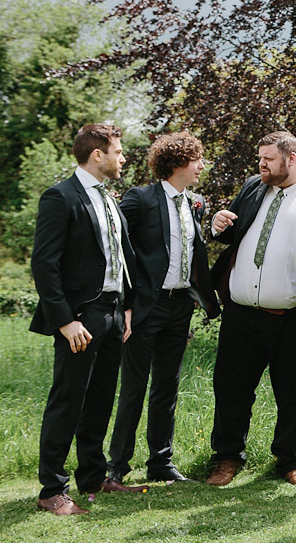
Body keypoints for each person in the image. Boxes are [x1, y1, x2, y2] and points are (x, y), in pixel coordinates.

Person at [30, 123, 148, 515]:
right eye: (118, 150)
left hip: (114, 314)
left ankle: (94, 476)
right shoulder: (60, 197)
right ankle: (51, 490)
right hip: (80, 318)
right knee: (68, 401)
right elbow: (44, 266)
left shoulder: (109, 199)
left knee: (99, 400)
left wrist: (127, 308)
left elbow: (121, 257)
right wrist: (64, 320)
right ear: (97, 154)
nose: (123, 157)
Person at [205, 131, 296, 487]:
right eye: (260, 158)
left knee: (295, 391)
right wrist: (218, 224)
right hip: (241, 313)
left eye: (268, 159)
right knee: (231, 388)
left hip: (295, 315)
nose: (262, 165)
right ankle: (226, 458)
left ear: (292, 158)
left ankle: (291, 460)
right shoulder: (254, 186)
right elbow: (233, 231)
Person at [107, 132, 221, 484]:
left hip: (180, 306)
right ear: (176, 163)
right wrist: (125, 304)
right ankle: (117, 467)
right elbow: (117, 245)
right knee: (134, 388)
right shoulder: (140, 199)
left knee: (167, 388)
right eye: (197, 159)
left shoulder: (195, 202)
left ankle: (160, 462)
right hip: (145, 307)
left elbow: (193, 249)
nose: (202, 165)